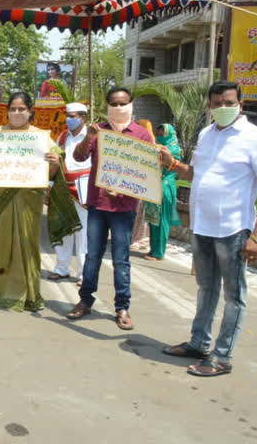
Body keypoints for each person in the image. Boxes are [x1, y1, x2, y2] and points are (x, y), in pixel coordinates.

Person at [161, 81, 257, 377]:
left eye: (228, 102)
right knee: (206, 287)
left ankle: (222, 355)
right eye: (215, 104)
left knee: (233, 294)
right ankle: (199, 343)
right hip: (203, 227)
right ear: (209, 106)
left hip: (234, 230)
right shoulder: (206, 134)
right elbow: (196, 173)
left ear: (241, 103)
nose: (221, 108)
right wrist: (173, 163)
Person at [65, 87, 154, 330]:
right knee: (92, 256)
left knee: (121, 260)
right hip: (97, 203)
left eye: (123, 103)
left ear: (131, 104)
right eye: (114, 103)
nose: (118, 107)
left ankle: (122, 307)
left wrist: (125, 189)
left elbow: (146, 175)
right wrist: (88, 135)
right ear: (108, 106)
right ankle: (85, 301)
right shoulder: (98, 130)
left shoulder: (141, 135)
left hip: (124, 208)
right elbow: (80, 157)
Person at [0, 92, 61, 311]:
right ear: (7, 111)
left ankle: (28, 294)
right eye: (13, 109)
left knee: (26, 243)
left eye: (22, 109)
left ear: (30, 111)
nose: (17, 113)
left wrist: (56, 162)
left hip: (29, 200)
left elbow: (52, 173)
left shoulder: (41, 137)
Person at [48, 102, 91, 285]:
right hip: (62, 187)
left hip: (83, 188)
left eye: (73, 116)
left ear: (83, 118)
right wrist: (50, 185)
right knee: (64, 230)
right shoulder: (63, 137)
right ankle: (62, 268)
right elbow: (56, 161)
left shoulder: (92, 137)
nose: (69, 119)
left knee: (83, 232)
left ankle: (83, 272)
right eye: (68, 116)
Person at [144, 124, 182, 261]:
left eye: (162, 134)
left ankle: (159, 252)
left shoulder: (174, 150)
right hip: (154, 187)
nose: (159, 137)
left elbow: (167, 167)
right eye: (158, 134)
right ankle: (153, 249)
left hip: (165, 188)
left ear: (169, 135)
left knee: (162, 221)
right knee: (153, 221)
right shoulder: (158, 148)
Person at [130, 120, 156, 251]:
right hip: (140, 182)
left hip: (143, 183)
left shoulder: (148, 143)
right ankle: (139, 238)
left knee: (141, 212)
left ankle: (139, 238)